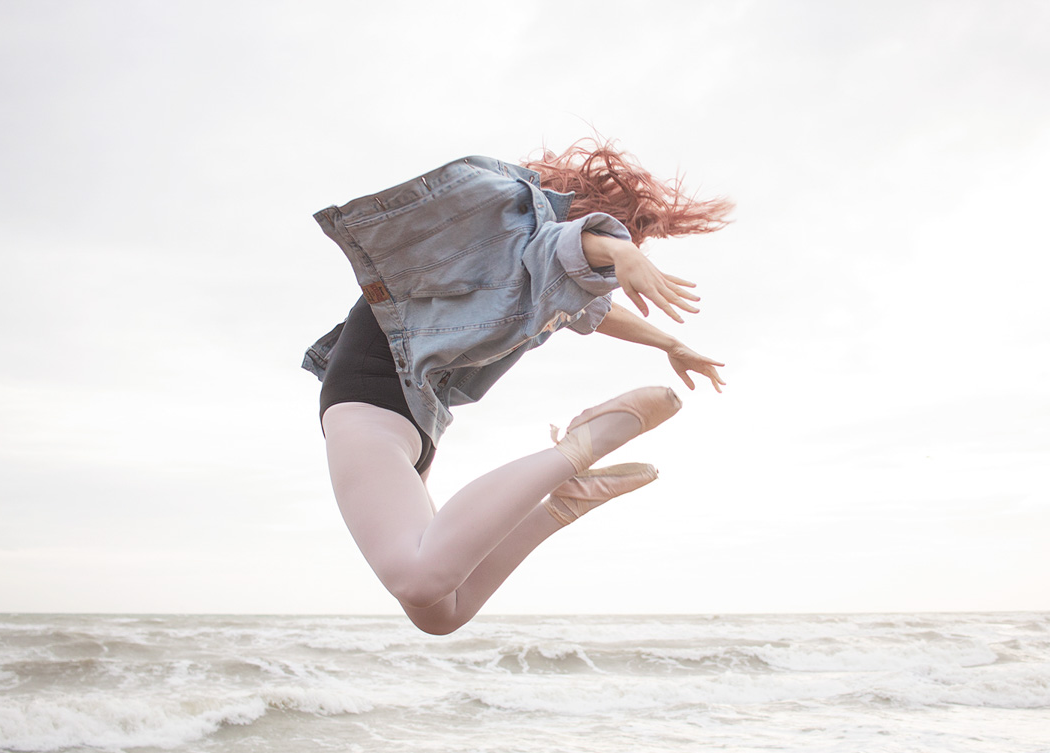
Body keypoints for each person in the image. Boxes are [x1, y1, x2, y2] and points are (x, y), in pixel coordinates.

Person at [304, 140, 732, 634]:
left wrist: (667, 339)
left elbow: (586, 297)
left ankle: (572, 452)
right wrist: (617, 251)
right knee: (443, 613)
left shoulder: (536, 255)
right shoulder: (513, 234)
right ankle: (563, 502)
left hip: (371, 411)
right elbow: (561, 250)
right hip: (405, 423)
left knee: (422, 582)